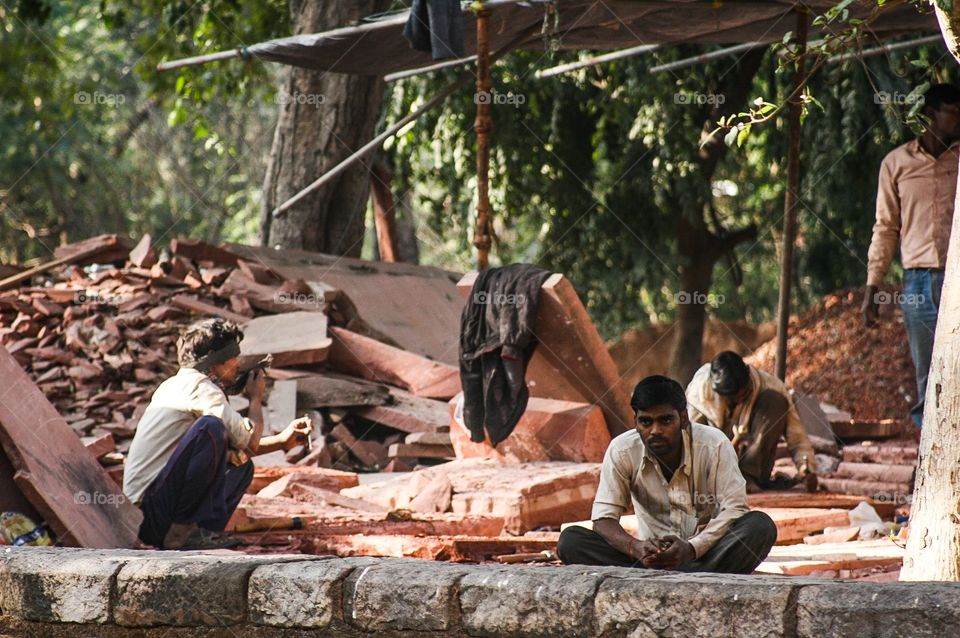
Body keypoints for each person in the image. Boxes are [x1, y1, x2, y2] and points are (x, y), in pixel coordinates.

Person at [123, 318, 313, 550]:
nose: (238, 364)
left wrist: (282, 442)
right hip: (148, 513)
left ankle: (202, 535)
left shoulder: (176, 384)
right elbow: (248, 441)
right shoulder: (200, 387)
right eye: (234, 357)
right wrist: (255, 399)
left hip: (152, 509)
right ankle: (181, 533)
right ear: (216, 361)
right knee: (210, 428)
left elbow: (239, 448)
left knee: (242, 466)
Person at [557, 375, 776, 574]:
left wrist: (691, 548)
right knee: (571, 541)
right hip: (647, 561)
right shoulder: (622, 450)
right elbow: (603, 520)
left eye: (665, 420)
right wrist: (636, 548)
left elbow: (735, 508)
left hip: (704, 554)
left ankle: (674, 575)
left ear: (683, 419)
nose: (655, 431)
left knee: (759, 526)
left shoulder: (714, 444)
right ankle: (694, 577)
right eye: (645, 422)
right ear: (636, 421)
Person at [861, 83, 960, 429]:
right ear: (932, 114)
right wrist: (872, 287)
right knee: (928, 373)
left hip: (957, 275)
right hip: (918, 280)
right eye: (953, 111)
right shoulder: (896, 163)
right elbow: (886, 228)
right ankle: (928, 455)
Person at [686, 351, 817, 493]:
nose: (741, 399)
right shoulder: (699, 392)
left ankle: (748, 477)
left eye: (744, 393)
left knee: (775, 401)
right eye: (735, 397)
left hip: (751, 464)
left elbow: (796, 435)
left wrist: (806, 468)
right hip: (712, 467)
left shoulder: (770, 385)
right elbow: (688, 439)